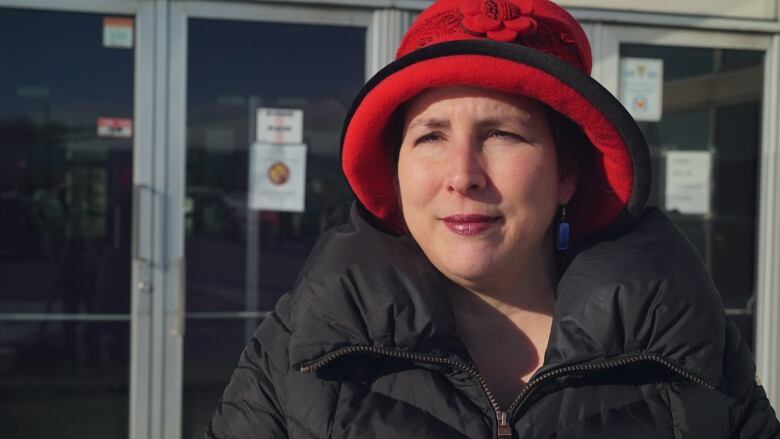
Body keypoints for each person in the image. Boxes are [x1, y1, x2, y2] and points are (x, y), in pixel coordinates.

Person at [206, 0, 780, 437]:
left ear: (566, 176)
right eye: (430, 136)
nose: (462, 174)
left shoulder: (686, 347)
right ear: (398, 173)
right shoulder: (304, 340)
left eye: (502, 134)